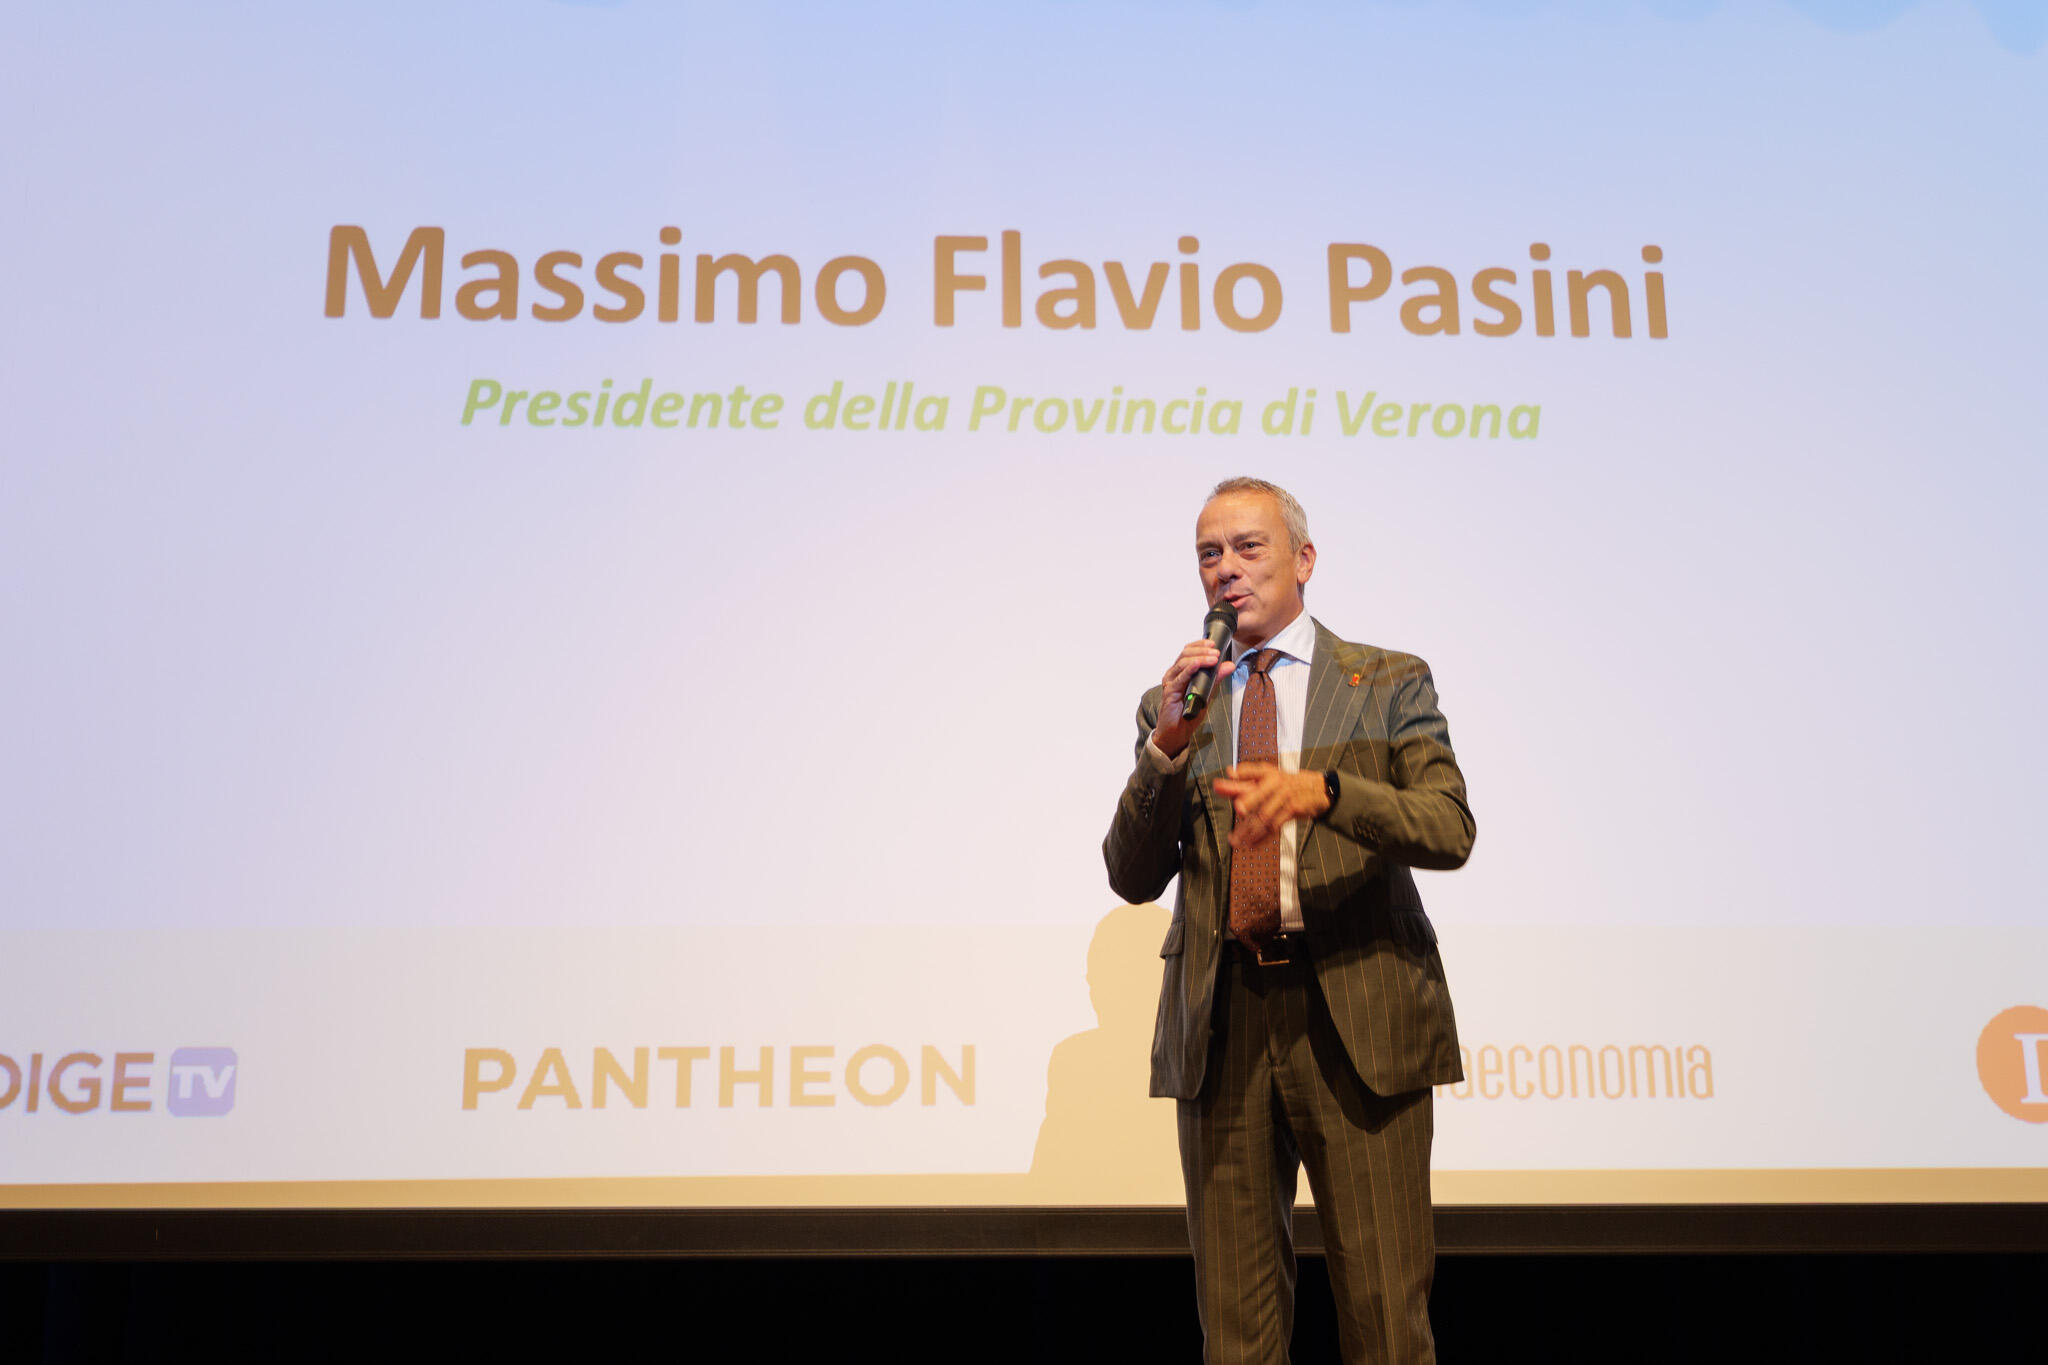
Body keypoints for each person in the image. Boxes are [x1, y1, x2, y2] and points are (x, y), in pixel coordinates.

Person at [1103, 477, 1474, 1364]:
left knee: (1385, 1321)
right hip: (1223, 1023)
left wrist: (1329, 792)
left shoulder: (1387, 680)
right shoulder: (1176, 703)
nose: (1225, 569)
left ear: (1303, 560)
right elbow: (1131, 874)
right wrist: (1166, 750)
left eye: (1248, 547)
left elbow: (1448, 828)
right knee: (1237, 1333)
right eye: (1209, 553)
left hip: (1358, 1020)